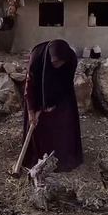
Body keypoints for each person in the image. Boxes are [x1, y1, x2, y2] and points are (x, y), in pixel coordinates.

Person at [22, 39, 83, 172]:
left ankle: (62, 156)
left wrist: (51, 105)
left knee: (62, 121)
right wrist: (32, 111)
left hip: (61, 92)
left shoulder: (70, 59)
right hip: (38, 89)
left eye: (60, 62)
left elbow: (66, 84)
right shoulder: (37, 57)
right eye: (54, 62)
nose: (57, 65)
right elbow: (30, 86)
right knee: (39, 125)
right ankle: (38, 155)